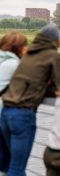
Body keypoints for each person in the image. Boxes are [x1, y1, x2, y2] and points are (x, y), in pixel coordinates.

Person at [0, 24, 60, 176]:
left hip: (5, 112)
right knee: (17, 167)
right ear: (56, 41)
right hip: (22, 115)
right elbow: (59, 88)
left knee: (7, 164)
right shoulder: (54, 56)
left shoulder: (27, 54)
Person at [0, 31, 28, 176]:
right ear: (19, 48)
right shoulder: (14, 64)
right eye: (25, 46)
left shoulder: (2, 60)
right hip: (5, 113)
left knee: (3, 161)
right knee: (16, 164)